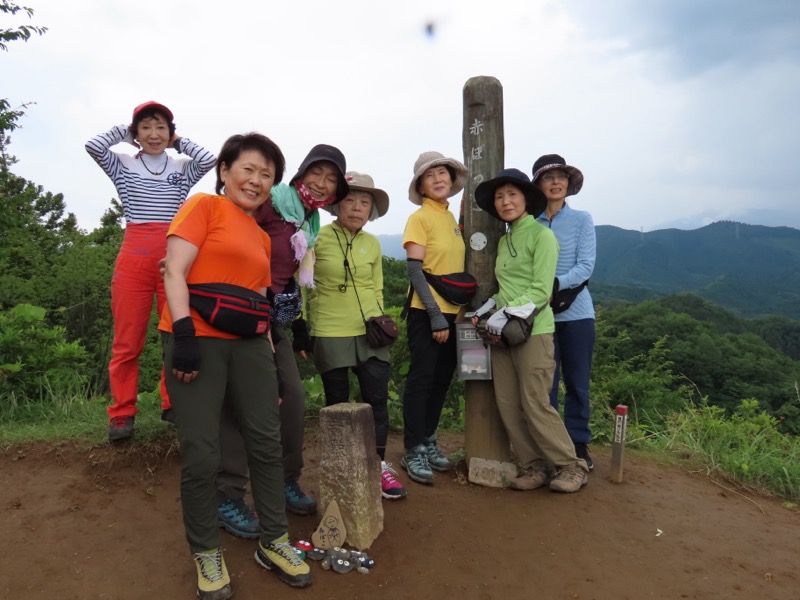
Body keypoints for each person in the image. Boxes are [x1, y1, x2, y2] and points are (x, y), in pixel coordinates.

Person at [160, 133, 312, 599]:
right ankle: (207, 553)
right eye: (248, 169)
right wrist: (183, 334)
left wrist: (268, 360)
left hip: (250, 345)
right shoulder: (202, 207)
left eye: (267, 174)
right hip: (197, 338)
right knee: (203, 451)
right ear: (224, 170)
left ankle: (275, 541)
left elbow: (260, 303)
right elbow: (174, 271)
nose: (257, 180)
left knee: (265, 444)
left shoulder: (262, 235)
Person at [215, 144, 350, 539]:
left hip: (273, 319)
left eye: (331, 179)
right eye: (317, 173)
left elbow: (291, 273)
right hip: (237, 307)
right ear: (302, 172)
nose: (322, 184)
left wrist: (300, 321)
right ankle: (228, 495)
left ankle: (285, 480)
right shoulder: (272, 201)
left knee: (291, 397)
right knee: (239, 403)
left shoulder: (309, 220)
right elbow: (233, 231)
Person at [85, 101, 216, 442]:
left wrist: (180, 141)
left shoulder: (181, 167)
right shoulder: (123, 163)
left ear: (170, 131)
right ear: (136, 132)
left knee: (174, 334)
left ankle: (172, 403)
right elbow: (93, 146)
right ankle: (122, 414)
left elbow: (210, 160)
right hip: (134, 252)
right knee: (127, 341)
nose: (154, 134)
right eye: (146, 127)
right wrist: (124, 133)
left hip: (174, 252)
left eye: (161, 127)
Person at [472, 168, 589, 493]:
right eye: (499, 196)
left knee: (535, 401)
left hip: (534, 331)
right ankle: (534, 465)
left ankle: (571, 465)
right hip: (503, 333)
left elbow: (541, 291)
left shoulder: (542, 236)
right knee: (508, 402)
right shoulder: (506, 238)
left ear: (525, 199)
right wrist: (485, 310)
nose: (505, 201)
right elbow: (504, 290)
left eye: (512, 194)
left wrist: (502, 315)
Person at [306, 171, 406, 500]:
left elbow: (376, 288)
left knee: (375, 401)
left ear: (371, 210)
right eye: (350, 199)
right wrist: (301, 330)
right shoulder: (316, 239)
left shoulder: (372, 244)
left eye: (365, 202)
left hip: (370, 333)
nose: (357, 207)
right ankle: (342, 467)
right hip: (330, 330)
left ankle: (376, 466)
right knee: (337, 404)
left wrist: (380, 321)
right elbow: (302, 285)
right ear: (337, 204)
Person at [400, 151, 468, 485]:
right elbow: (415, 269)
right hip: (426, 312)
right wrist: (435, 316)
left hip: (454, 314)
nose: (439, 179)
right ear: (422, 186)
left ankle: (427, 439)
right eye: (431, 176)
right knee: (422, 379)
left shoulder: (451, 218)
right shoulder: (420, 217)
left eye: (443, 173)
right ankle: (412, 448)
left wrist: (451, 317)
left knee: (441, 380)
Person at [532, 154, 596, 470]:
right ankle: (552, 446)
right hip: (541, 315)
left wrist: (551, 284)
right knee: (546, 383)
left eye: (561, 176)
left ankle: (578, 445)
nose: (556, 182)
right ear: (538, 185)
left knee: (577, 381)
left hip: (578, 313)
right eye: (548, 177)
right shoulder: (530, 222)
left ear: (568, 184)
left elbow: (585, 267)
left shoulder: (582, 219)